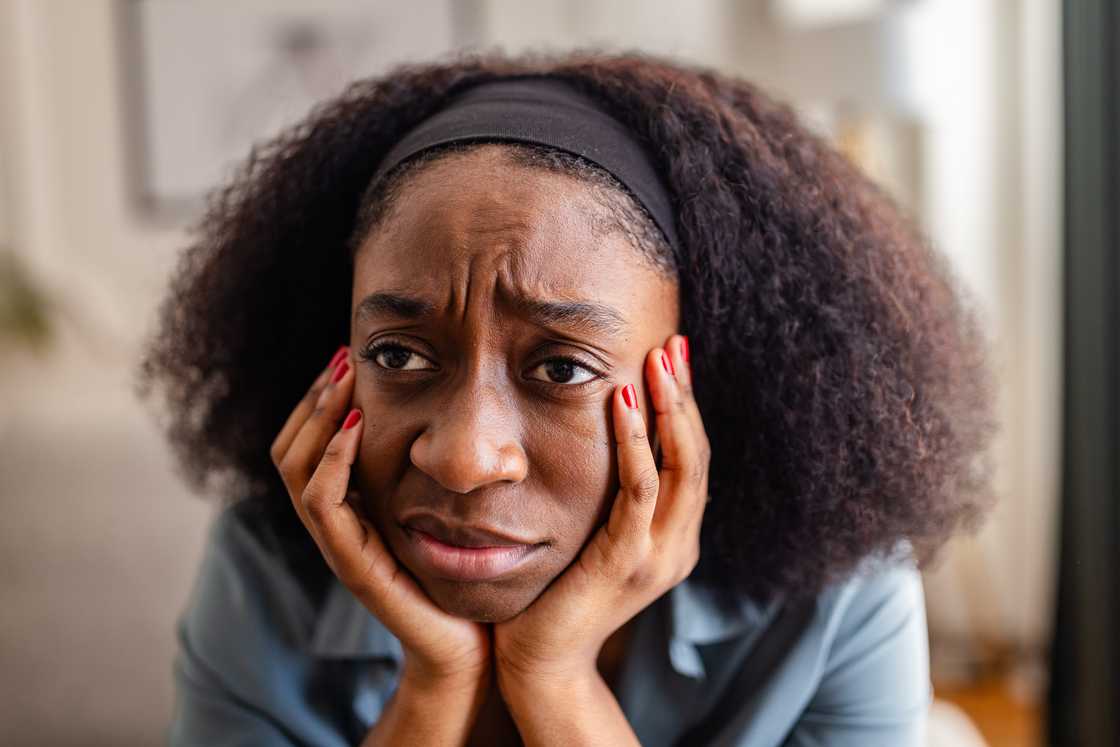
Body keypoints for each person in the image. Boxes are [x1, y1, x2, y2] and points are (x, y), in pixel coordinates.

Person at [139, 50, 998, 746]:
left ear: (685, 388)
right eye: (398, 353)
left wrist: (553, 680)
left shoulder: (837, 593)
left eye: (561, 367)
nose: (464, 456)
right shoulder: (267, 570)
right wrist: (436, 679)